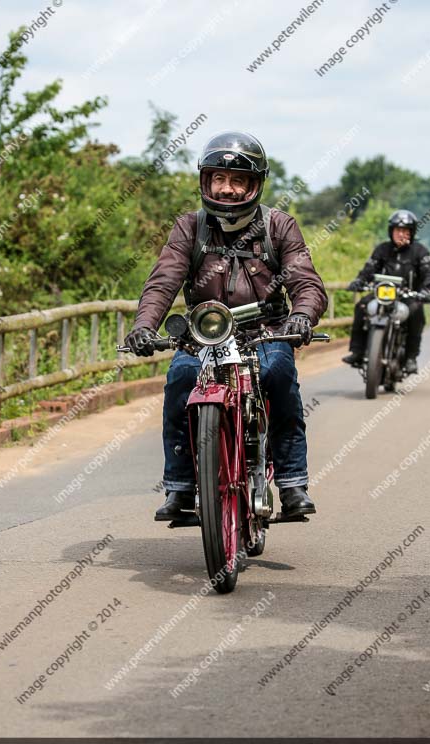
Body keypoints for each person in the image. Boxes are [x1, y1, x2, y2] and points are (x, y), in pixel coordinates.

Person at [124, 131, 328, 522]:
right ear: (205, 181)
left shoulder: (280, 226)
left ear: (254, 185)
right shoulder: (189, 227)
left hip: (266, 331)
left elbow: (306, 282)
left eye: (237, 181)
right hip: (204, 336)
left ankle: (292, 482)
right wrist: (144, 325)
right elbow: (163, 280)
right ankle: (180, 487)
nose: (227, 188)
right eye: (219, 178)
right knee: (180, 380)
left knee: (279, 372)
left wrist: (302, 314)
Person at [342, 209, 430, 373]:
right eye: (398, 230)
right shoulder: (382, 249)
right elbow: (369, 269)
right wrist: (360, 281)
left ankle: (410, 358)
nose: (401, 234)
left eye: (405, 231)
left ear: (411, 233)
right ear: (391, 231)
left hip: (407, 296)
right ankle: (357, 351)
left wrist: (426, 290)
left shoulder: (419, 251)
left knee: (416, 312)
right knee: (361, 306)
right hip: (381, 294)